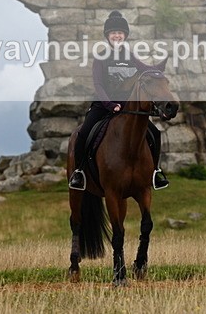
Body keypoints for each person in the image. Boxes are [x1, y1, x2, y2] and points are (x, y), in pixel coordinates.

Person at [69, 10, 169, 191]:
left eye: (120, 33)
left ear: (125, 35)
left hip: (126, 106)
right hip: (103, 104)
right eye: (113, 33)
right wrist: (109, 104)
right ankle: (79, 172)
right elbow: (98, 85)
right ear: (108, 36)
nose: (117, 36)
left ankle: (156, 171)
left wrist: (161, 65)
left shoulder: (130, 56)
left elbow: (146, 69)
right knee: (83, 134)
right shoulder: (100, 57)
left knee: (155, 133)